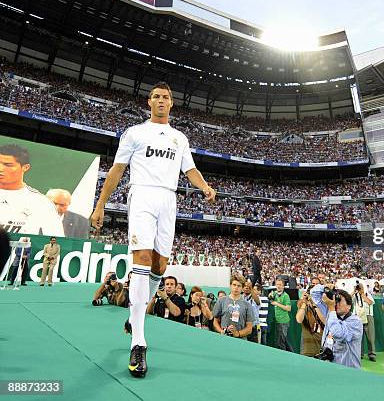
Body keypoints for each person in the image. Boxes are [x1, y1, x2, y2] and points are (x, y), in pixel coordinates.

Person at [90, 83, 216, 378]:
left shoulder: (179, 138)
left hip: (168, 200)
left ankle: (135, 316)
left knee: (160, 267)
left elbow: (191, 170)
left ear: (172, 104)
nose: (161, 100)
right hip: (142, 196)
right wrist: (100, 205)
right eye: (157, 96)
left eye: (166, 97)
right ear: (149, 102)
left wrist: (205, 187)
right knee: (142, 261)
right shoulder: (134, 133)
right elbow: (117, 171)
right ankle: (139, 342)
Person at [0, 144, 64, 237]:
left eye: (8, 165)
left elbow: (57, 241)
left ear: (25, 167)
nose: (1, 169)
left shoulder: (41, 202)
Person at [320, 288, 362, 369]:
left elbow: (339, 334)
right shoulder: (332, 316)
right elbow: (314, 294)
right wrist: (325, 288)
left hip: (348, 369)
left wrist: (332, 309)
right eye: (336, 300)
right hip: (330, 367)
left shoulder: (355, 321)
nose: (336, 304)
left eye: (339, 301)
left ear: (349, 306)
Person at [212, 274, 254, 339]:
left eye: (239, 286)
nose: (236, 288)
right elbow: (215, 321)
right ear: (230, 286)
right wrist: (221, 331)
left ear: (242, 288)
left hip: (241, 341)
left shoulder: (247, 305)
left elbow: (249, 328)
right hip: (224, 338)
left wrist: (238, 334)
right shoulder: (221, 301)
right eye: (234, 285)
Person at [296, 289, 325, 356]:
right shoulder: (304, 307)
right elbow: (299, 320)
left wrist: (315, 305)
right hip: (308, 348)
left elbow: (325, 321)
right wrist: (304, 302)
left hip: (321, 345)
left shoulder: (323, 307)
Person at [353, 283, 376, 361]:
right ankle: (360, 354)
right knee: (359, 337)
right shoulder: (355, 296)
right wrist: (354, 291)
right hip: (357, 317)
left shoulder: (367, 294)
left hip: (368, 316)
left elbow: (370, 302)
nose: (359, 289)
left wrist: (362, 294)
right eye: (358, 288)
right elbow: (348, 300)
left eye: (361, 287)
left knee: (370, 337)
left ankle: (372, 354)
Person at [269, 278, 293, 352]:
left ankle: (286, 355)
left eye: (280, 285)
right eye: (277, 284)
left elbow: (289, 308)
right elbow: (270, 300)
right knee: (281, 340)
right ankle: (291, 353)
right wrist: (270, 297)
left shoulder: (286, 296)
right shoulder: (274, 293)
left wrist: (277, 304)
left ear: (283, 286)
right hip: (276, 320)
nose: (278, 286)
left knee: (281, 341)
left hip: (283, 321)